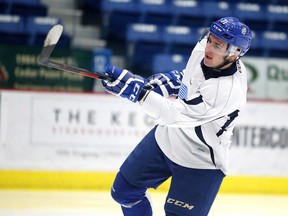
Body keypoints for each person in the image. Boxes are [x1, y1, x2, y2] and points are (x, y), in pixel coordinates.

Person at [101, 17, 252, 216]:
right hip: (167, 139)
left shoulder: (227, 92)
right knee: (124, 192)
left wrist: (136, 92)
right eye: (210, 40)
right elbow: (189, 76)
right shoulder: (204, 49)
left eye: (217, 45)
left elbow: (173, 115)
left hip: (200, 159)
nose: (208, 47)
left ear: (234, 54)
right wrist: (167, 82)